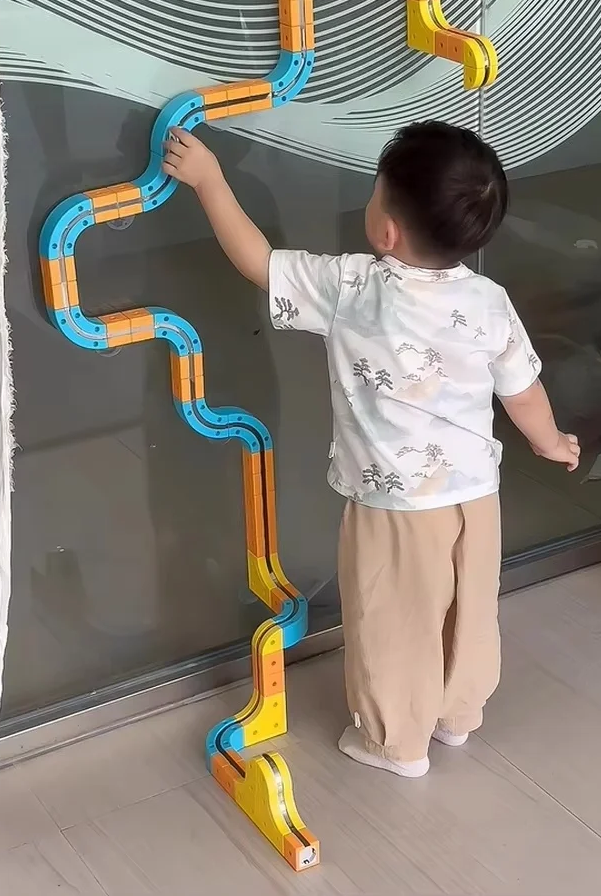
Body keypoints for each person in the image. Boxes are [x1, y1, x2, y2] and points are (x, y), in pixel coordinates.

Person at [162, 120, 579, 779]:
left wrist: (210, 180)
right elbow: (523, 393)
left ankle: (395, 742)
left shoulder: (354, 287)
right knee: (469, 605)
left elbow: (259, 262)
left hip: (394, 501)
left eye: (374, 192)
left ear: (386, 231)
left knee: (394, 618)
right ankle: (457, 714)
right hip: (476, 494)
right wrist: (551, 442)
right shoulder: (488, 300)